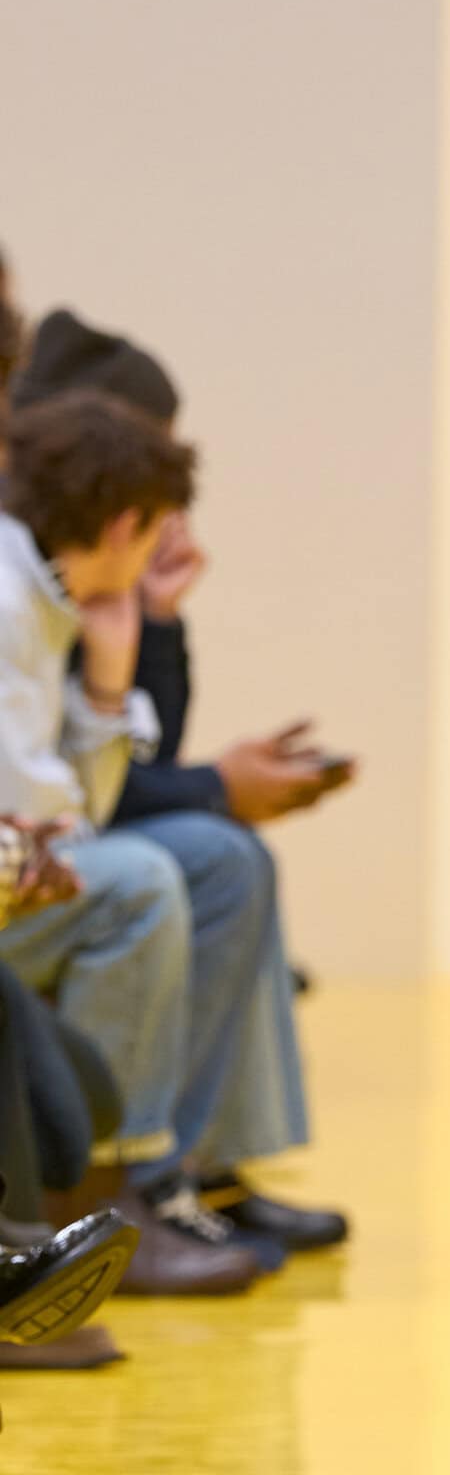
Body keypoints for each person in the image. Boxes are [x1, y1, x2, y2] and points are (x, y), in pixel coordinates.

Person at [10, 310, 353, 1256]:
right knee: (182, 862)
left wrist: (150, 626)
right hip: (29, 852)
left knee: (225, 856)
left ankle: (191, 1174)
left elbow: (124, 771)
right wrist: (215, 787)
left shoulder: (60, 568)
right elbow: (79, 803)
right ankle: (115, 1192)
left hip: (43, 838)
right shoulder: (23, 572)